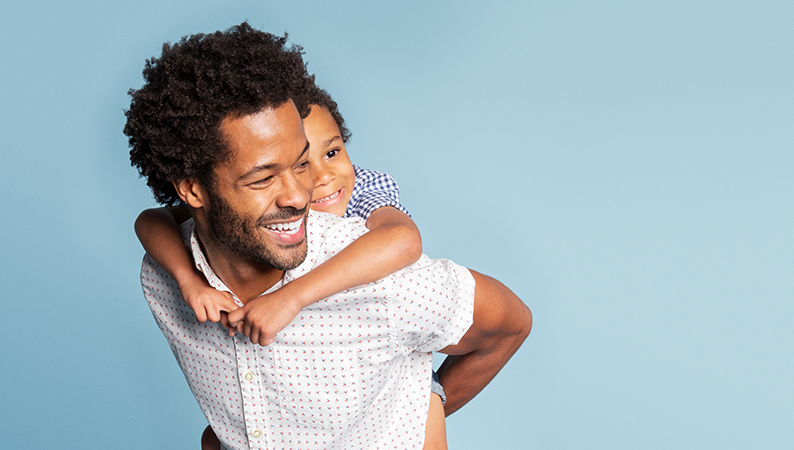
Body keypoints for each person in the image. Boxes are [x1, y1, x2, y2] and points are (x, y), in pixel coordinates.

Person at [125, 23, 531, 450]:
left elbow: (510, 325)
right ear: (191, 189)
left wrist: (423, 406)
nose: (302, 195)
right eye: (263, 179)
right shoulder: (162, 278)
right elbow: (151, 222)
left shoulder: (381, 279)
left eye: (301, 164)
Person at [137, 80, 453, 449]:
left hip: (391, 365)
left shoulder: (362, 195)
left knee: (425, 405)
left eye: (331, 153)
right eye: (298, 164)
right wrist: (189, 281)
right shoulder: (236, 209)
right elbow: (151, 220)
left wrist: (292, 297)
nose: (314, 181)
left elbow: (404, 240)